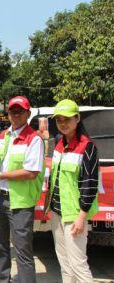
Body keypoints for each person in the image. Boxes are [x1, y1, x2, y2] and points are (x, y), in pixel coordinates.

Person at [0, 96, 45, 283]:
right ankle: (2, 279)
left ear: (28, 113)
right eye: (13, 111)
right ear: (8, 114)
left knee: (23, 250)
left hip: (19, 202)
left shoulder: (34, 139)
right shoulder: (3, 136)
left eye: (20, 111)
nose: (16, 114)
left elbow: (31, 172)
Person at [45, 99, 98, 283]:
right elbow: (56, 179)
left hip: (74, 215)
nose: (63, 123)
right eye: (59, 120)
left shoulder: (87, 146)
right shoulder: (59, 143)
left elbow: (90, 183)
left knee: (78, 265)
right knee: (65, 264)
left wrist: (82, 216)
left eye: (67, 119)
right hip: (57, 212)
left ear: (77, 118)